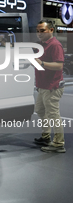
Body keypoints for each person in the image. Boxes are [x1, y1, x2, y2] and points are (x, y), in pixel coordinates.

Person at [33, 19, 66, 153]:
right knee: (40, 111)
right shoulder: (41, 45)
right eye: (37, 31)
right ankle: (46, 136)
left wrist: (41, 63)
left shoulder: (55, 45)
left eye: (42, 31)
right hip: (42, 85)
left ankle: (59, 143)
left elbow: (59, 65)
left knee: (53, 114)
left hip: (52, 86)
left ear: (51, 30)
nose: (39, 33)